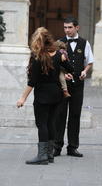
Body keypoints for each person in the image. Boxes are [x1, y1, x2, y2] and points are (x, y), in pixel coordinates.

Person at [17, 27, 73, 165]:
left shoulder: (38, 57)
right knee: (50, 123)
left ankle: (42, 156)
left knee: (42, 124)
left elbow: (32, 82)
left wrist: (22, 98)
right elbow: (71, 69)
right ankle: (49, 154)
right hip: (56, 94)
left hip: (43, 95)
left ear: (37, 41)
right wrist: (64, 64)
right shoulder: (59, 54)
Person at [54, 16, 94, 157]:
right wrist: (62, 74)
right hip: (62, 86)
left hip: (78, 85)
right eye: (65, 27)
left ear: (77, 28)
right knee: (60, 115)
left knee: (75, 115)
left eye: (70, 27)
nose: (67, 30)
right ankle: (57, 146)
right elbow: (54, 63)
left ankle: (72, 147)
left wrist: (84, 71)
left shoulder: (84, 43)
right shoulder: (59, 43)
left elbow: (89, 61)